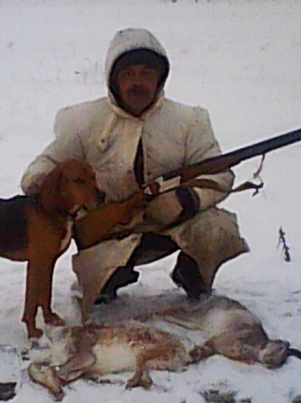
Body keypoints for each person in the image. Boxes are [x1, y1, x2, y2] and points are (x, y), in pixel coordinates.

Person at [21, 28, 249, 315]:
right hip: (109, 230)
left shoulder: (190, 120)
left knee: (218, 229)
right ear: (113, 79)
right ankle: (109, 280)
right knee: (98, 286)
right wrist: (39, 187)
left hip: (175, 223)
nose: (137, 83)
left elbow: (220, 174)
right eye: (127, 74)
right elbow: (46, 165)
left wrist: (186, 200)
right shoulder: (81, 121)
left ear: (160, 78)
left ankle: (193, 274)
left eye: (146, 74)